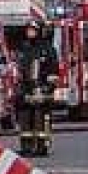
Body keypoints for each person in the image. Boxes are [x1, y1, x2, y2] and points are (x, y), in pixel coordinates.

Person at [13, 20, 60, 157]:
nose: (30, 32)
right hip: (26, 91)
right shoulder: (24, 49)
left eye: (33, 30)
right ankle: (26, 147)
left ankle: (42, 146)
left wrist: (47, 88)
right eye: (28, 30)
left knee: (41, 121)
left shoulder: (48, 49)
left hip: (42, 91)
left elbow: (53, 72)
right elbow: (20, 70)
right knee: (25, 120)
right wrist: (20, 89)